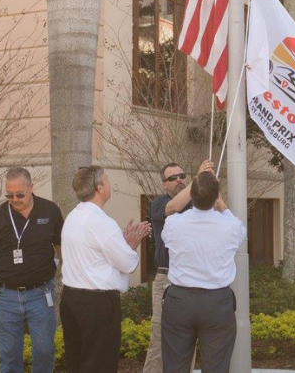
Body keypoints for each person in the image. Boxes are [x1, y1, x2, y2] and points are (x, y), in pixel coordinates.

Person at [0, 167, 64, 373]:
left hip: (41, 294)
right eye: (9, 195)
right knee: (9, 357)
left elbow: (61, 245)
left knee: (45, 351)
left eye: (19, 194)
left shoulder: (49, 211)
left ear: (31, 187)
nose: (14, 199)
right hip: (6, 297)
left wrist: (66, 271)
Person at [60, 165, 151, 373]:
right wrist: (131, 245)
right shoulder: (101, 222)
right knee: (100, 365)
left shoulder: (72, 217)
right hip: (96, 304)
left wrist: (122, 244)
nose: (110, 183)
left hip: (70, 300)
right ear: (99, 188)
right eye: (107, 179)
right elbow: (128, 263)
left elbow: (97, 256)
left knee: (76, 363)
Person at [161, 168, 246, 373]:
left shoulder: (173, 223)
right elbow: (239, 230)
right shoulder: (231, 225)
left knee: (174, 367)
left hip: (179, 300)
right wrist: (222, 206)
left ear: (191, 194)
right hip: (217, 303)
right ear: (217, 196)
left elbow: (166, 237)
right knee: (216, 368)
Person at [143, 160, 212, 373]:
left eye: (182, 176)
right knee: (159, 339)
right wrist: (197, 180)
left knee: (188, 339)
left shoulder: (196, 205)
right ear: (164, 184)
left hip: (192, 281)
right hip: (167, 279)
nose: (179, 180)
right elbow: (173, 207)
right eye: (173, 178)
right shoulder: (160, 203)